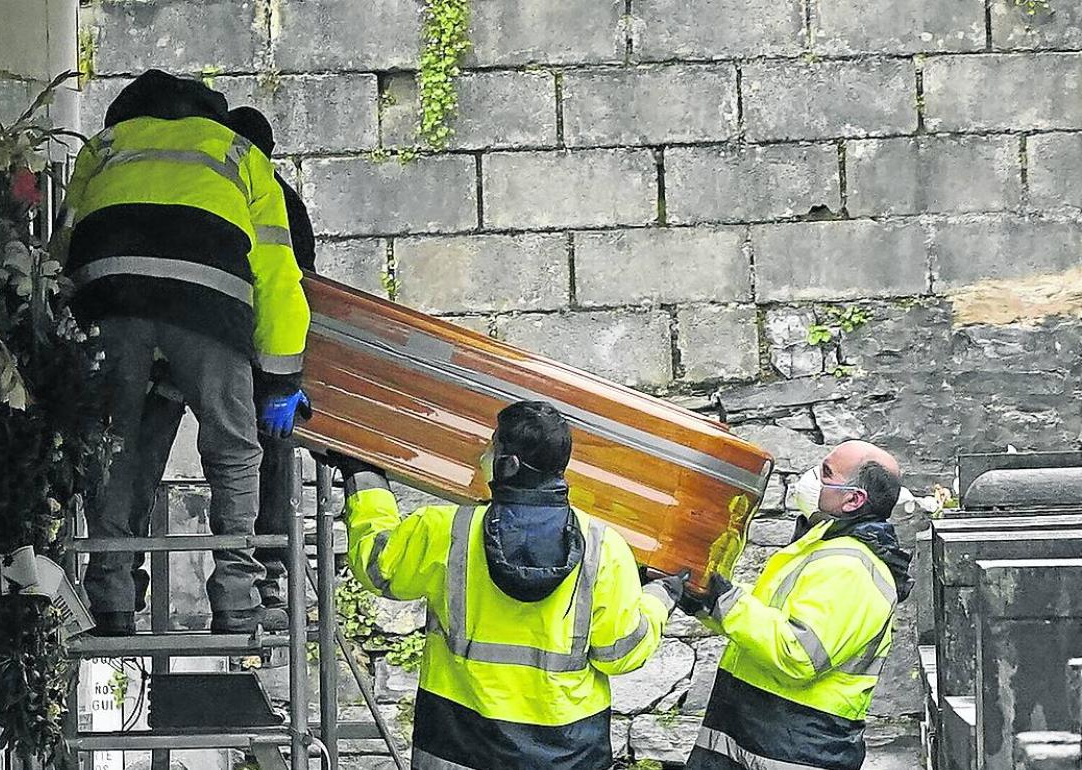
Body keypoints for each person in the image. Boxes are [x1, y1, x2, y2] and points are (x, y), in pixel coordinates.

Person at [57, 70, 311, 636]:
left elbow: (62, 245)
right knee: (233, 450)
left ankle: (112, 597)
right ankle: (237, 597)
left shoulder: (104, 147)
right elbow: (277, 276)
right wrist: (281, 379)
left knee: (114, 447)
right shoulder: (239, 153)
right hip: (207, 308)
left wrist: (63, 347)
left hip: (112, 301)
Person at [331, 401, 684, 770]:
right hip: (568, 755)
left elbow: (376, 562)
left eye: (491, 446)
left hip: (457, 746)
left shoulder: (446, 531)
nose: (483, 454)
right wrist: (661, 597)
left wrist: (364, 474)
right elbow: (620, 652)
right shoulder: (604, 546)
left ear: (507, 464)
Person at [124, 104, 318, 619]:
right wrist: (282, 381)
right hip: (227, 337)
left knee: (130, 457)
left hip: (143, 326)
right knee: (247, 457)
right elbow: (288, 287)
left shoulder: (155, 167)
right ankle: (252, 588)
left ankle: (117, 586)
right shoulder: (269, 190)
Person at [678, 440, 914, 770]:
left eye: (826, 472)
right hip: (757, 737)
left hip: (792, 750)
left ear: (853, 500)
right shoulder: (823, 548)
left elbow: (798, 653)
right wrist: (704, 599)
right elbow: (762, 622)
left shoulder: (854, 569)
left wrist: (723, 599)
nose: (813, 477)